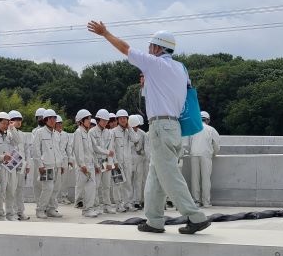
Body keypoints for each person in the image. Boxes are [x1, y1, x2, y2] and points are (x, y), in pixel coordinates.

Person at [88, 21, 209, 234]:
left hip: (160, 127)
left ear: (157, 48)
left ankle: (195, 216)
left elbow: (125, 49)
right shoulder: (181, 68)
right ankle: (154, 220)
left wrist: (105, 33)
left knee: (169, 174)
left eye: (150, 45)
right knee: (156, 175)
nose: (148, 49)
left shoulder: (154, 64)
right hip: (174, 126)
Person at [33, 109, 64, 219]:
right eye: (50, 118)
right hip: (46, 166)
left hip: (57, 165)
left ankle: (51, 209)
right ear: (45, 120)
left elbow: (59, 150)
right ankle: (40, 209)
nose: (52, 120)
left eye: (54, 118)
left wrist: (61, 164)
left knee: (56, 188)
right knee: (47, 188)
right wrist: (40, 165)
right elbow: (36, 150)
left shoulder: (56, 134)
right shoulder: (39, 132)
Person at [188, 111, 220, 207]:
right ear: (207, 120)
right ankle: (206, 202)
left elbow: (188, 144)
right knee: (206, 179)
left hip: (194, 154)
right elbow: (216, 144)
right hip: (205, 155)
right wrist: (214, 153)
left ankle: (196, 201)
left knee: (195, 179)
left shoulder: (193, 128)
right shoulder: (211, 129)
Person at [0, 111, 19, 221]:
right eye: (3, 123)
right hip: (0, 168)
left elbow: (18, 141)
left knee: (11, 191)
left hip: (11, 167)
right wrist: (2, 157)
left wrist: (12, 128)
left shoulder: (9, 134)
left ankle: (10, 214)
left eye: (7, 123)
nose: (5, 125)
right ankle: (1, 215)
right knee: (1, 192)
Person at [89, 109, 115, 214]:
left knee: (107, 185)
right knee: (96, 186)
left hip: (106, 162)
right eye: (102, 120)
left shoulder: (109, 133)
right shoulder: (92, 132)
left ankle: (107, 206)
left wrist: (109, 163)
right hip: (97, 161)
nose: (104, 122)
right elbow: (94, 148)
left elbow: (111, 148)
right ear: (98, 119)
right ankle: (96, 206)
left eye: (106, 120)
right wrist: (96, 165)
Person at [112, 109, 139, 212]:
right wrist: (114, 161)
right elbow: (112, 148)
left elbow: (136, 139)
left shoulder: (129, 131)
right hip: (117, 162)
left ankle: (127, 203)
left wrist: (130, 128)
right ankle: (118, 205)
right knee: (118, 184)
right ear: (118, 120)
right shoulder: (113, 132)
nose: (123, 120)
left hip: (127, 161)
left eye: (125, 118)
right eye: (121, 118)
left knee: (127, 183)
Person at [73, 109, 98, 218]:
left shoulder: (87, 133)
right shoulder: (78, 132)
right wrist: (82, 164)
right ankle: (87, 209)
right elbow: (78, 150)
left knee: (91, 188)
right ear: (81, 121)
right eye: (87, 119)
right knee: (88, 188)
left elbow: (91, 151)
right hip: (84, 166)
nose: (89, 120)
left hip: (90, 165)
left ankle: (88, 209)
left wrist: (95, 164)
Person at [8, 110, 31, 221]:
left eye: (20, 119)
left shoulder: (23, 134)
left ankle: (20, 212)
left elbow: (26, 150)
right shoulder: (7, 133)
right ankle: (12, 212)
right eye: (16, 119)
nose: (18, 122)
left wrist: (27, 164)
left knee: (20, 190)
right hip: (11, 166)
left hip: (21, 165)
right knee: (12, 190)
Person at [56, 115, 74, 205]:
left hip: (64, 159)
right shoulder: (52, 133)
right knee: (56, 179)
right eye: (58, 123)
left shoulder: (65, 134)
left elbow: (68, 148)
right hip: (55, 159)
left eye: (60, 123)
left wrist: (70, 159)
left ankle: (64, 196)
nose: (60, 125)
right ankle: (55, 197)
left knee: (64, 179)